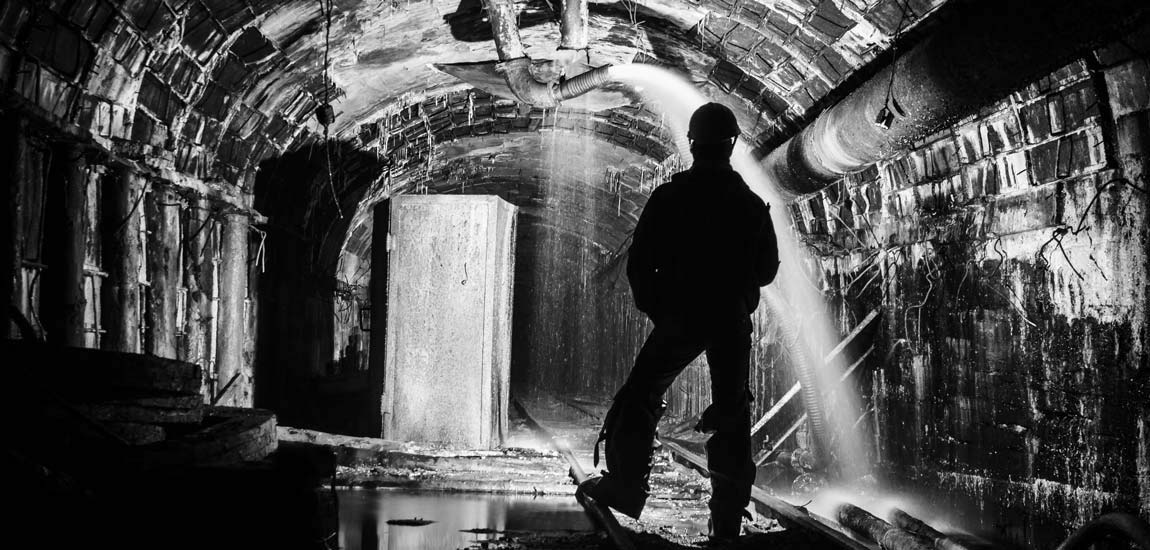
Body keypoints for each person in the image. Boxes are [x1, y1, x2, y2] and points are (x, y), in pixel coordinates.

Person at [578, 102, 779, 540]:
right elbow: (766, 271)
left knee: (641, 395)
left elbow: (639, 263)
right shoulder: (750, 205)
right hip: (729, 319)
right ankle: (726, 520)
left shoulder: (670, 197)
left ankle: (627, 485)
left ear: (692, 144)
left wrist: (659, 309)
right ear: (732, 144)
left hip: (681, 316)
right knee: (731, 412)